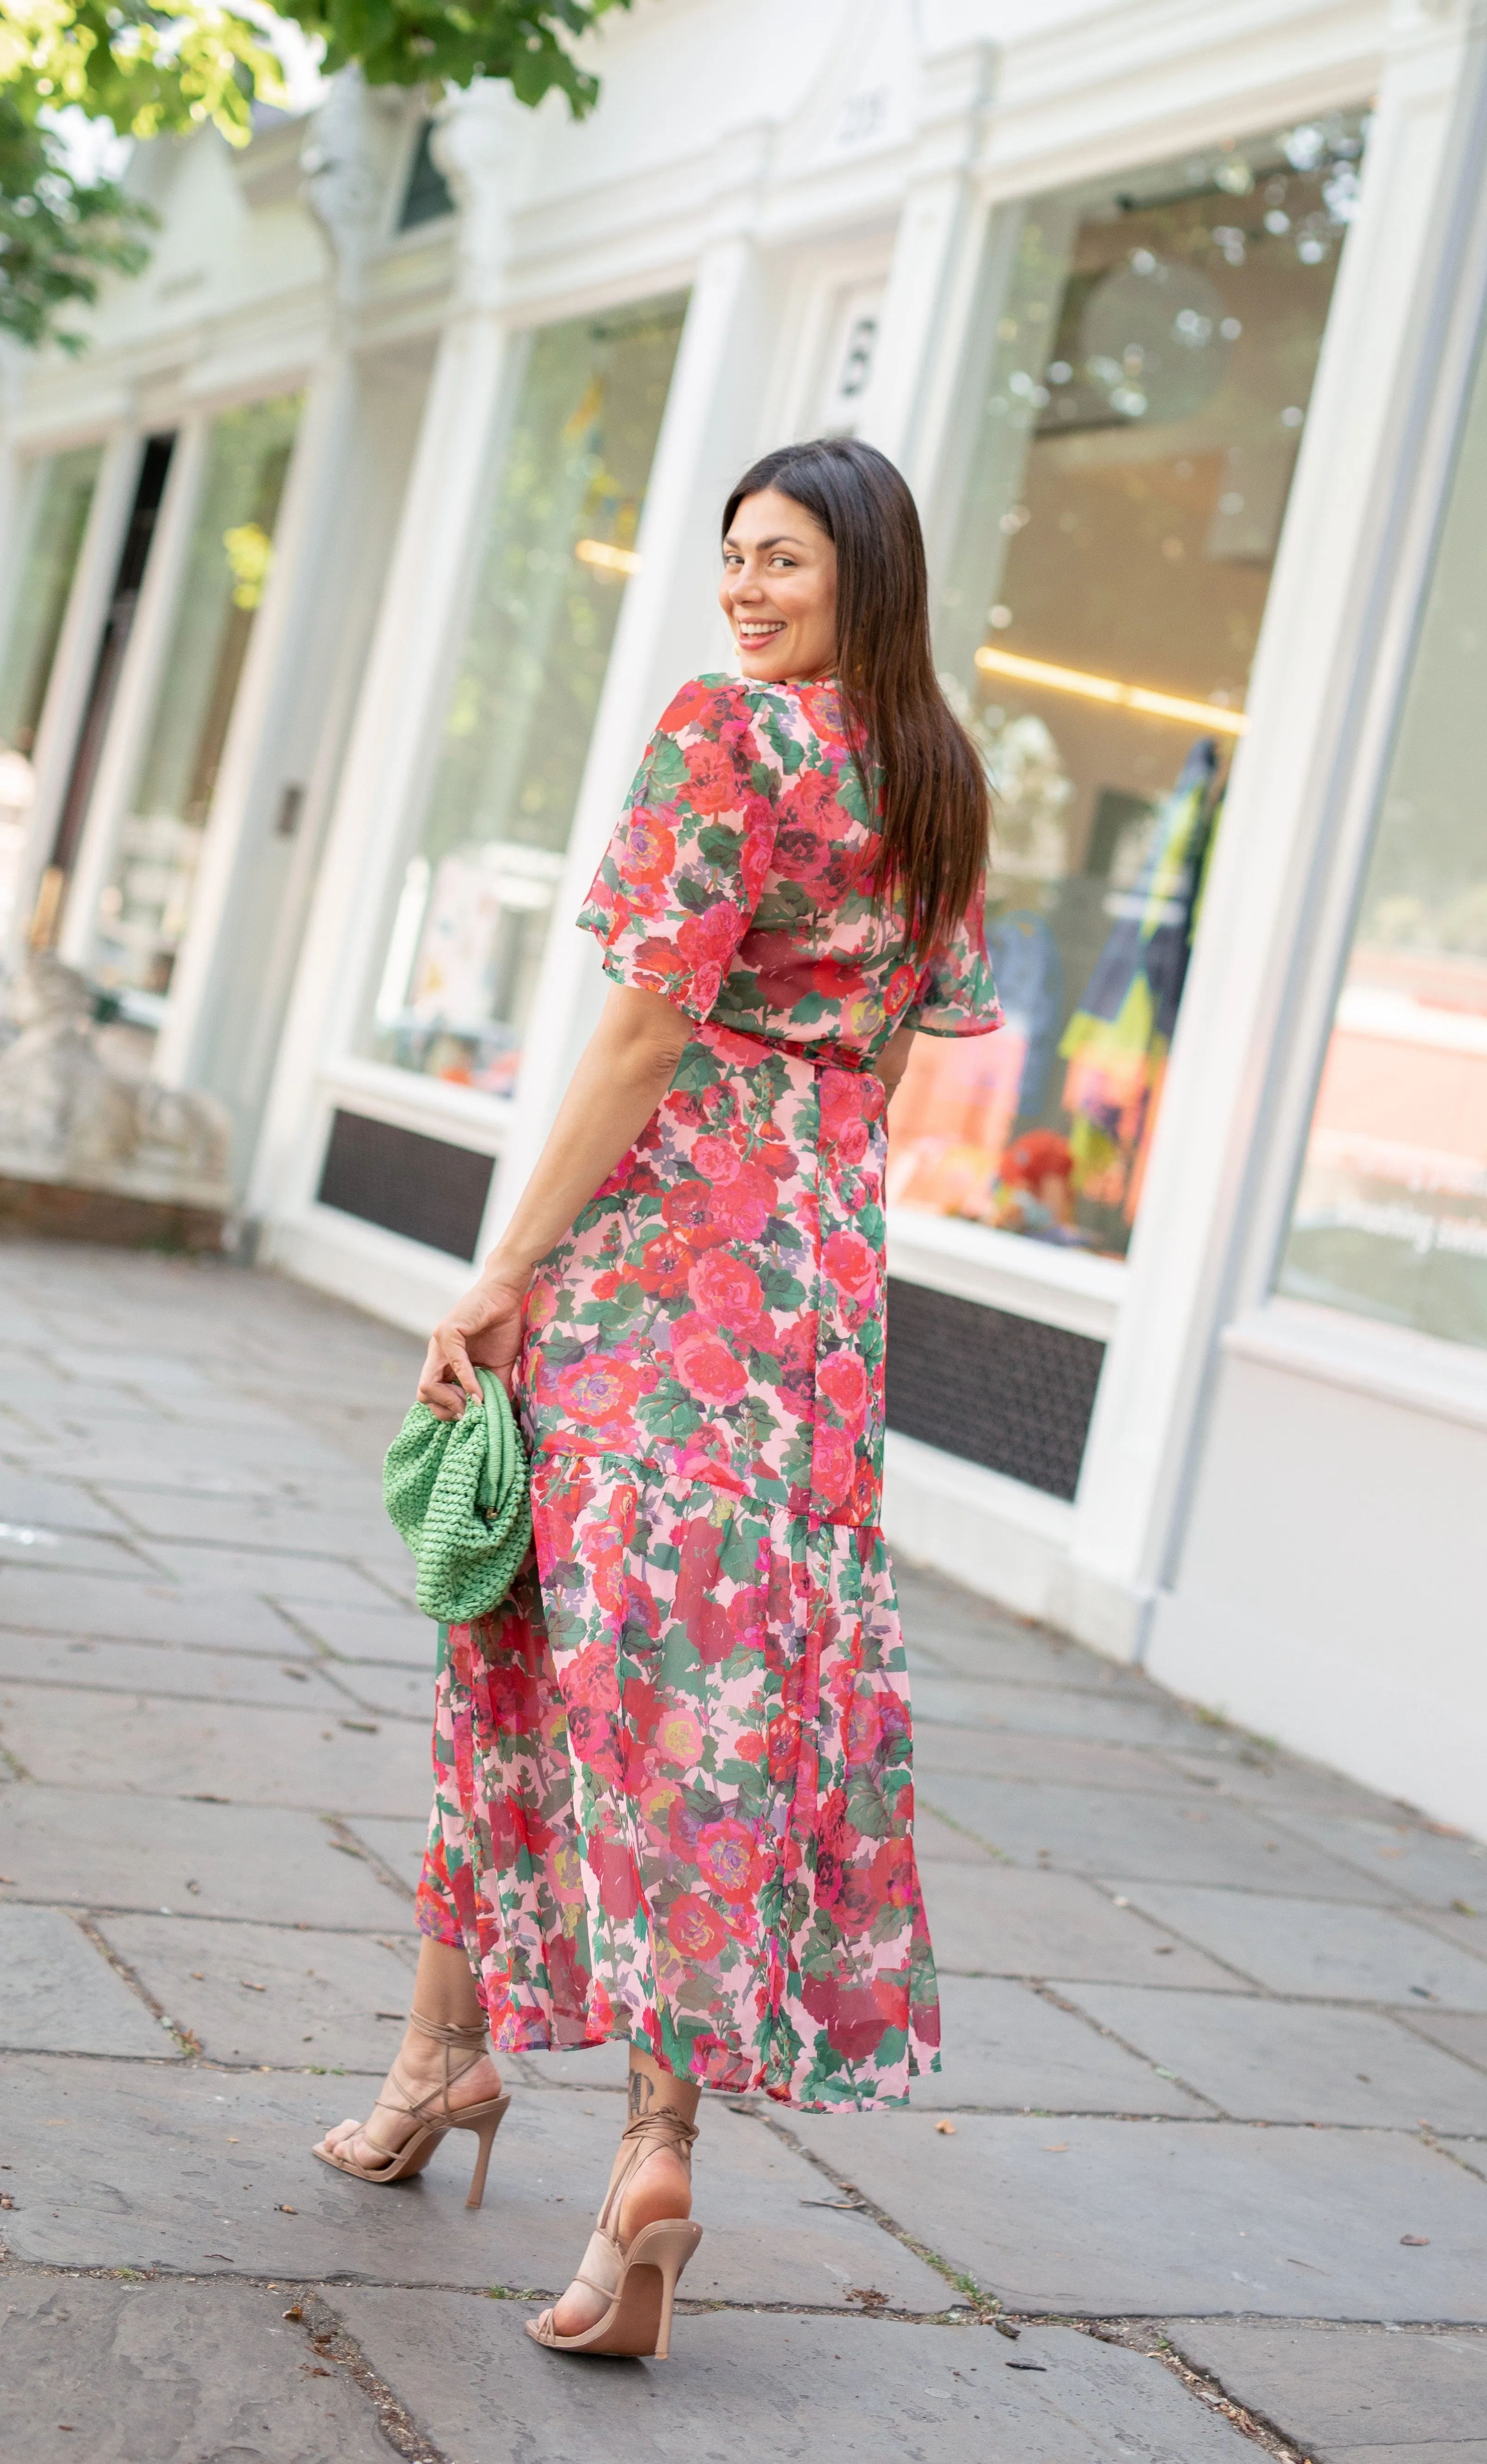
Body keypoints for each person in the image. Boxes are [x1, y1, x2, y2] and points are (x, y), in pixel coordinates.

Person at [313, 435, 1002, 2359]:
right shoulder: (940, 779)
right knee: (707, 1703)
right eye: (732, 563)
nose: (746, 592)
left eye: (784, 559)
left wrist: (508, 1262)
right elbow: (878, 1056)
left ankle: (519, 2104)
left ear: (866, 570)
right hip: (812, 1307)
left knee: (527, 1647)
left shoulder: (731, 736)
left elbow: (639, 1028)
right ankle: (579, 2127)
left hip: (662, 1268)